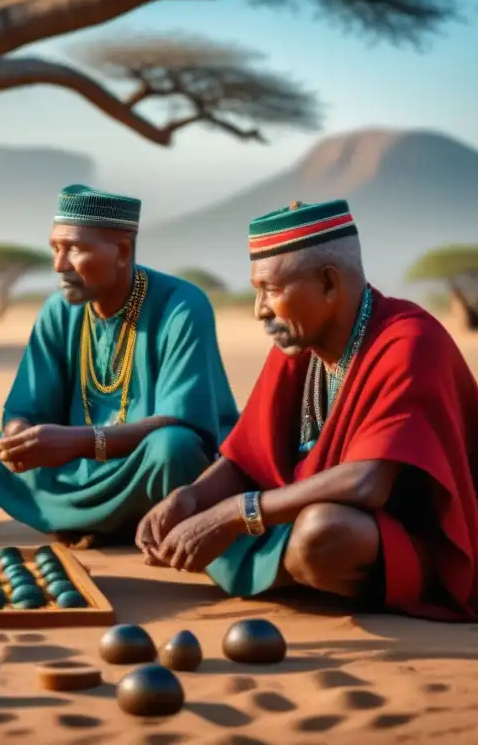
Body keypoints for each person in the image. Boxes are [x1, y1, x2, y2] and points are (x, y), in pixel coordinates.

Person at [137, 200, 478, 621]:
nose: (260, 309)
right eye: (257, 290)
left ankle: (356, 580)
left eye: (271, 290)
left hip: (414, 542)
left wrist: (229, 516)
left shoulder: (409, 341)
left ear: (329, 284)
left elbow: (367, 483)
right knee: (198, 498)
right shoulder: (299, 345)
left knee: (320, 535)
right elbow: (248, 457)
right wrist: (189, 498)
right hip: (310, 517)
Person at [0, 184, 240, 549]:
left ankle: (99, 521)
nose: (59, 265)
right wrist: (19, 433)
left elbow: (182, 421)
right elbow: (27, 406)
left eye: (74, 249)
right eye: (55, 249)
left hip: (142, 463)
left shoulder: (182, 305)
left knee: (174, 449)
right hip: (77, 470)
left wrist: (76, 442)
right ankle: (113, 521)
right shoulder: (58, 310)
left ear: (122, 251)